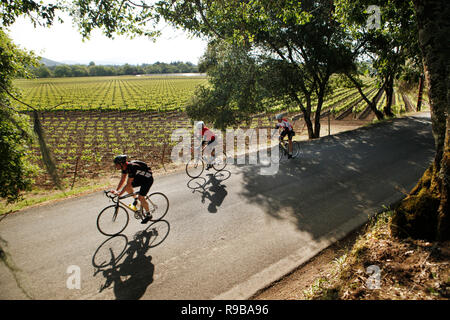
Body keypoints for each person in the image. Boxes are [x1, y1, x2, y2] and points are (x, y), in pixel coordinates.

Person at [111, 155, 154, 224]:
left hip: (147, 180)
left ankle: (148, 214)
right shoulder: (124, 168)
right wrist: (117, 190)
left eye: (116, 164)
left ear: (121, 164)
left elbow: (128, 184)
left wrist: (120, 193)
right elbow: (122, 180)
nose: (115, 166)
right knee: (128, 188)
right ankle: (135, 199)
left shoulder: (132, 168)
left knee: (141, 197)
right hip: (140, 178)